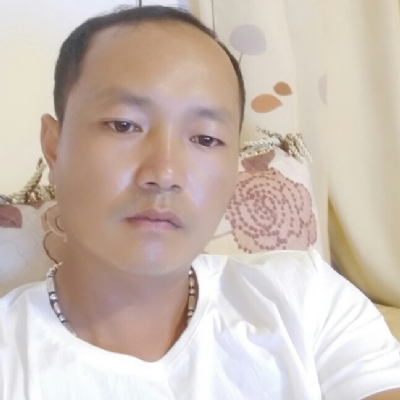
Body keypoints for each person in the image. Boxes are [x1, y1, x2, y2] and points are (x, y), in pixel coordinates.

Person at [0, 5, 399, 399]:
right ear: (54, 147)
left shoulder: (305, 300)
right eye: (124, 125)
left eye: (206, 138)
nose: (164, 173)